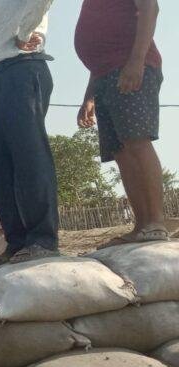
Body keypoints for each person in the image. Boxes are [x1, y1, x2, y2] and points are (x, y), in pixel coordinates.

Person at [76, 0, 168, 247]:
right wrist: (89, 97)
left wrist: (137, 61)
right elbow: (100, 51)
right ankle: (141, 226)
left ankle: (156, 223)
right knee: (120, 151)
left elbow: (150, 8)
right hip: (105, 75)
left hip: (129, 66)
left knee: (136, 142)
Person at [0, 0, 58, 268]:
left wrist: (23, 34)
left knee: (29, 155)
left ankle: (43, 239)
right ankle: (18, 241)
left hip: (21, 69)